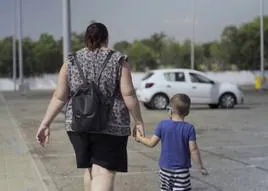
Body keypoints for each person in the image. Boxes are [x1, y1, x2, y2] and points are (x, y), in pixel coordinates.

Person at [35, 22, 144, 191]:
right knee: (103, 172)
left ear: (86, 39)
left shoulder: (71, 60)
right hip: (111, 125)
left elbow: (59, 96)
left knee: (91, 170)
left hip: (78, 124)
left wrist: (45, 123)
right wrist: (138, 121)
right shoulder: (118, 60)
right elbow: (128, 94)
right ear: (106, 39)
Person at [136, 94, 208, 191]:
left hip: (164, 169)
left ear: (170, 110)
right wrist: (201, 167)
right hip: (181, 171)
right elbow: (193, 150)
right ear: (187, 112)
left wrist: (139, 137)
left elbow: (151, 143)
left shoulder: (162, 125)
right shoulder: (189, 128)